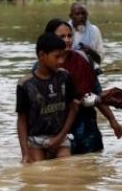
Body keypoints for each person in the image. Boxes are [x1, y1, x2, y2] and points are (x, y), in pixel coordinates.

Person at [45, 19, 122, 154]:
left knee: (91, 166)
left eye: (70, 36)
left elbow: (95, 92)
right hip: (57, 130)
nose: (68, 40)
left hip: (87, 129)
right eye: (62, 37)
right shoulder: (44, 66)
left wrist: (112, 120)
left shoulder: (83, 59)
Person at [16, 33, 80, 163]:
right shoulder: (25, 84)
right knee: (39, 173)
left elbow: (73, 108)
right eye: (57, 57)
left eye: (63, 57)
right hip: (35, 141)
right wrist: (25, 154)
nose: (61, 61)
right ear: (42, 55)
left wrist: (60, 138)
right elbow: (22, 120)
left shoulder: (65, 77)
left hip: (61, 138)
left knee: (66, 169)